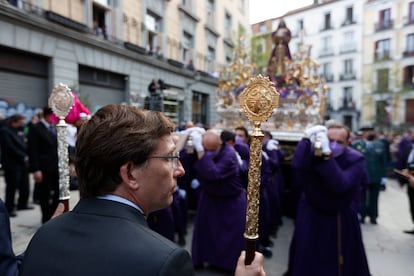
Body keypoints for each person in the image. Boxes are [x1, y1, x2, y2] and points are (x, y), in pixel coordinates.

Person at [19, 104, 265, 276]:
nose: (180, 169)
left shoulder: (45, 234)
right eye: (170, 158)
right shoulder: (164, 261)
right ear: (130, 174)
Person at [286, 123, 370, 276]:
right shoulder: (314, 152)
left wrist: (326, 157)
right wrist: (305, 140)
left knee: (338, 263)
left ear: (348, 143)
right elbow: (298, 165)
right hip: (312, 213)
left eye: (339, 142)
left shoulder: (356, 159)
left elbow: (340, 184)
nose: (333, 145)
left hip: (338, 217)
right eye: (330, 140)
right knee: (306, 257)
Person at [191, 128, 247, 272]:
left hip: (231, 199)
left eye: (212, 149)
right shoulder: (207, 148)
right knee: (206, 231)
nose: (209, 152)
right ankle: (203, 259)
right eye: (206, 149)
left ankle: (230, 265)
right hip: (210, 197)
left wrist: (201, 153)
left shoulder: (229, 153)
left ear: (220, 143)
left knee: (233, 236)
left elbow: (213, 173)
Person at [27, 107, 59, 224]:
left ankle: (53, 214)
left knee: (59, 192)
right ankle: (46, 218)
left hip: (55, 166)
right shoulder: (35, 129)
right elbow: (32, 150)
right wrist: (36, 169)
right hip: (43, 168)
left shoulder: (54, 128)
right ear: (47, 115)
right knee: (44, 194)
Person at [351, 126, 388, 224]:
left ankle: (373, 216)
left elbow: (383, 161)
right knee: (361, 196)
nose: (371, 133)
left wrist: (384, 176)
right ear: (363, 133)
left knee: (374, 197)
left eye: (372, 131)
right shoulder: (356, 144)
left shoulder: (380, 145)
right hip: (361, 176)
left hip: (375, 175)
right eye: (368, 131)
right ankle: (361, 215)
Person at [0, 114, 32, 217]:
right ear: (16, 121)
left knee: (24, 185)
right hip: (12, 164)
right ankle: (9, 208)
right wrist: (23, 156)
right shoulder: (5, 131)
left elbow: (24, 143)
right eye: (21, 121)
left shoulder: (19, 130)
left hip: (22, 163)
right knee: (12, 187)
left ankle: (22, 204)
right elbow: (9, 147)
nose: (23, 123)